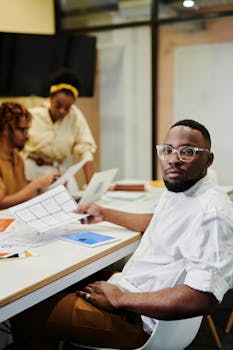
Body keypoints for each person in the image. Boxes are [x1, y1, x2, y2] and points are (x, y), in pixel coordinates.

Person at [10, 119, 233, 349]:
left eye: (187, 152)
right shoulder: (181, 188)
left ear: (208, 159)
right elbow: (157, 222)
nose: (173, 160)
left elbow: (201, 298)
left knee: (26, 311)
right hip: (131, 290)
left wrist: (119, 299)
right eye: (167, 150)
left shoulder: (212, 213)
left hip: (139, 320)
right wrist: (105, 213)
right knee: (57, 284)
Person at [23, 68, 97, 192]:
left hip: (58, 172)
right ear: (51, 99)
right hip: (31, 171)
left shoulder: (75, 117)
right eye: (58, 105)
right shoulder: (33, 115)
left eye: (67, 108)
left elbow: (86, 150)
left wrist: (91, 186)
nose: (62, 111)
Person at [0, 102, 60, 209]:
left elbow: (20, 195)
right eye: (22, 130)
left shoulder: (17, 157)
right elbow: (1, 202)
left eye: (27, 130)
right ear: (5, 130)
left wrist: (50, 187)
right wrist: (36, 185)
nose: (27, 136)